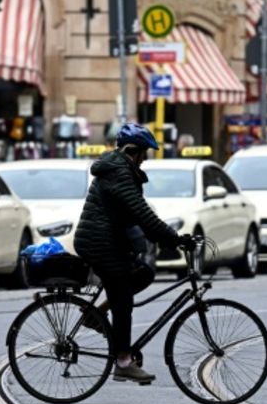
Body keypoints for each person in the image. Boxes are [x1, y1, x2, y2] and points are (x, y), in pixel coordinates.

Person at [73, 123, 189, 385]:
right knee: (123, 300)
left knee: (144, 273)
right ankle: (123, 361)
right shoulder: (119, 173)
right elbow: (142, 213)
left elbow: (135, 217)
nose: (145, 159)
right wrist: (174, 239)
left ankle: (96, 315)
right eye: (144, 153)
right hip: (99, 244)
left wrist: (166, 239)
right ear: (132, 151)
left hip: (107, 242)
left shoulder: (120, 169)